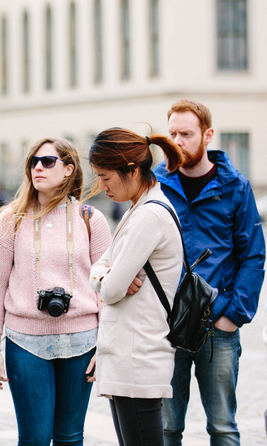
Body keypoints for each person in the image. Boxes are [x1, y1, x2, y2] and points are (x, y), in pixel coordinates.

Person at [0, 137, 112, 445]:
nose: (37, 168)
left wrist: (106, 344)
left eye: (48, 161)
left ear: (69, 169)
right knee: (35, 439)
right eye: (33, 162)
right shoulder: (10, 219)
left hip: (82, 343)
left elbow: (106, 289)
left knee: (69, 438)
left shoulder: (91, 220)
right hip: (25, 342)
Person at [154, 99, 265, 445]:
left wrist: (233, 315)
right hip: (164, 325)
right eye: (171, 133)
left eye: (186, 134)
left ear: (208, 134)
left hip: (218, 326)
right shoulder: (155, 183)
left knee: (222, 427)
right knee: (167, 427)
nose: (177, 141)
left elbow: (254, 256)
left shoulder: (236, 187)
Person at [86, 128, 185, 446]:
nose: (102, 186)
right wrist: (105, 275)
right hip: (129, 359)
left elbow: (112, 289)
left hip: (137, 360)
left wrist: (106, 278)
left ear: (131, 170)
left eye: (105, 177)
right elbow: (99, 270)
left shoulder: (149, 216)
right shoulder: (138, 209)